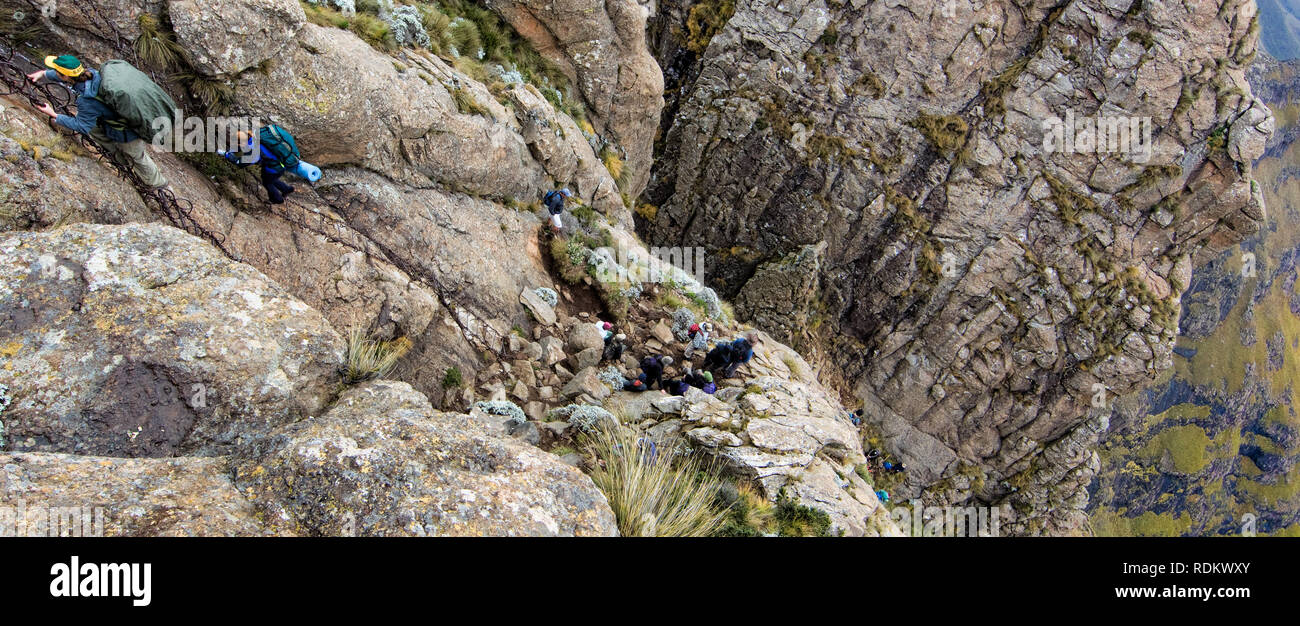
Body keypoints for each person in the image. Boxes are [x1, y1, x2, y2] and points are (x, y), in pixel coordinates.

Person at [26, 55, 168, 188]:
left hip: (128, 132)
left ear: (66, 76)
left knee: (137, 157)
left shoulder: (87, 100)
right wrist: (43, 73)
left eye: (57, 71)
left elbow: (81, 126)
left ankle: (159, 185)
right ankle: (123, 164)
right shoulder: (92, 74)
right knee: (100, 134)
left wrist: (54, 114)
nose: (55, 73)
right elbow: (63, 76)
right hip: (114, 123)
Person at [221, 127, 298, 204]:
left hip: (274, 167)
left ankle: (277, 199)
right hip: (279, 163)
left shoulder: (255, 149)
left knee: (267, 182)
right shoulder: (255, 136)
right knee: (270, 179)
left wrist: (231, 158)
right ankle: (287, 189)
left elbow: (244, 162)